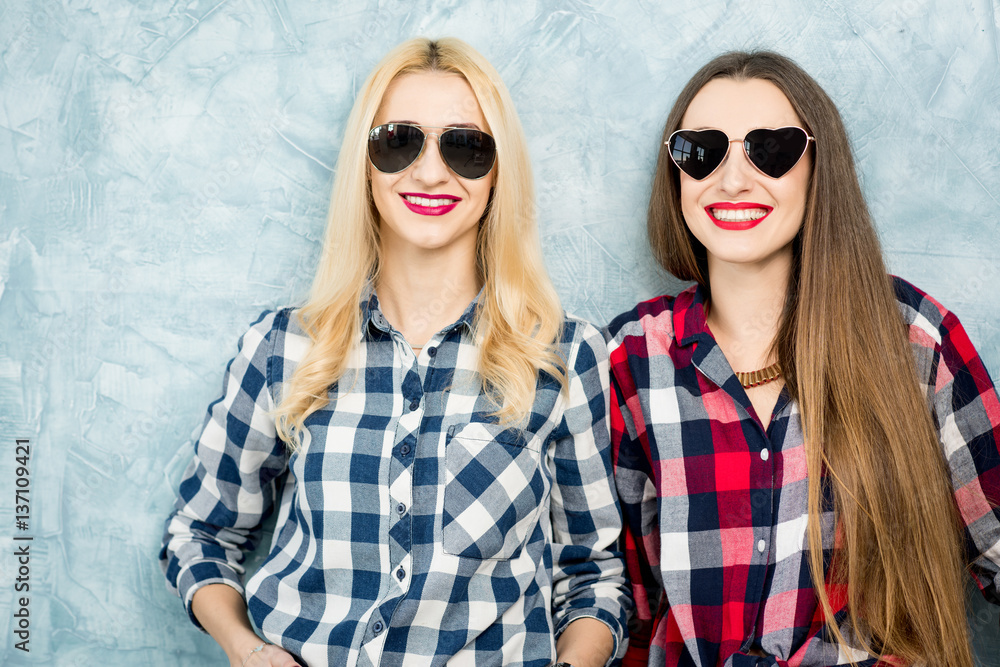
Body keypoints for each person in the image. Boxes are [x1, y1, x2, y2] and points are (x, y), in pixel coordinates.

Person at [161, 37, 629, 667]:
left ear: (498, 171)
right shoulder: (283, 348)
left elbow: (592, 576)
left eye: (465, 146)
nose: (431, 172)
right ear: (366, 162)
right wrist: (247, 650)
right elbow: (201, 535)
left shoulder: (565, 357)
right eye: (398, 141)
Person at [605, 50, 1000, 667]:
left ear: (819, 167)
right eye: (701, 151)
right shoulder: (631, 357)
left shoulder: (913, 339)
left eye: (771, 149)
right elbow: (614, 602)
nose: (733, 180)